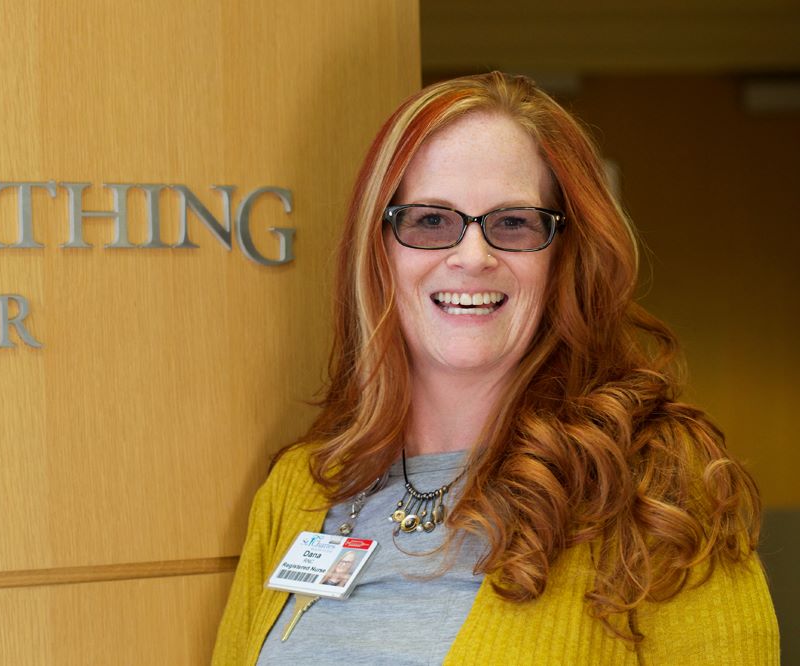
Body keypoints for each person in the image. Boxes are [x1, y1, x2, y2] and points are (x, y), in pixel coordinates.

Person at [212, 72, 779, 665]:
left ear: (565, 253)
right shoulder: (302, 485)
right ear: (379, 249)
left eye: (513, 223)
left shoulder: (656, 481)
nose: (472, 257)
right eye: (431, 221)